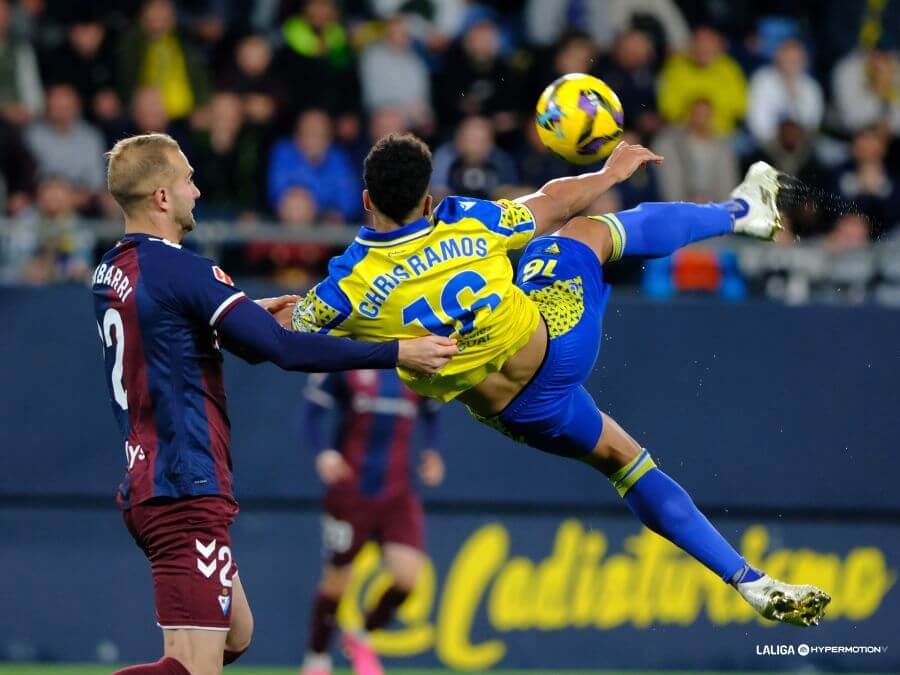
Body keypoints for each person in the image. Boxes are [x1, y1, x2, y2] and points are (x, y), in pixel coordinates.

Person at [288, 134, 832, 645]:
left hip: (522, 414)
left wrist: (253, 311)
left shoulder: (347, 286)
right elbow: (553, 201)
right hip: (558, 342)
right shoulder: (462, 222)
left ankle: (747, 580)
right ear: (428, 201)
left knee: (624, 463)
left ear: (365, 198)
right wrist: (610, 171)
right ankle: (742, 211)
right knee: (589, 233)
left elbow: (280, 338)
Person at [92, 133, 457, 675]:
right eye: (188, 178)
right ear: (162, 198)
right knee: (194, 667)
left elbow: (167, 336)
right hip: (184, 484)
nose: (197, 189)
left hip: (154, 480)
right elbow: (281, 350)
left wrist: (238, 311)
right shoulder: (187, 271)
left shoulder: (112, 270)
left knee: (237, 636)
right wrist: (399, 350)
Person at [300, 369, 443, 675]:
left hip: (398, 495)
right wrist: (323, 454)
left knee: (407, 579)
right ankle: (317, 658)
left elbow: (432, 412)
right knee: (337, 582)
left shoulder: (414, 363)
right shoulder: (347, 360)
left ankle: (361, 636)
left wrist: (431, 452)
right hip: (350, 491)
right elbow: (312, 413)